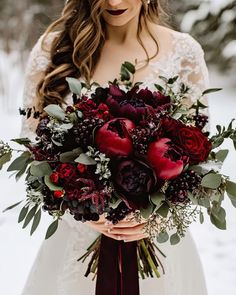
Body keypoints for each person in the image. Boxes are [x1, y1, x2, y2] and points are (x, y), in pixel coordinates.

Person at [20, 0, 209, 294]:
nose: (114, 2)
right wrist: (78, 205)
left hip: (158, 244)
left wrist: (156, 217)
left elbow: (199, 157)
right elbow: (33, 152)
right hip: (76, 241)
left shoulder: (184, 53)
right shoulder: (52, 50)